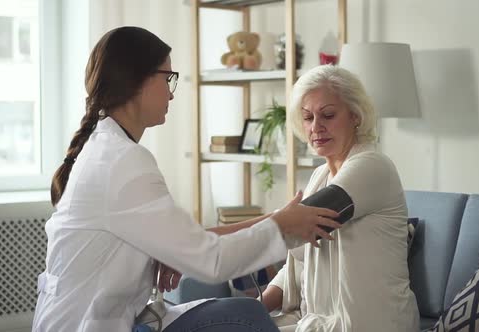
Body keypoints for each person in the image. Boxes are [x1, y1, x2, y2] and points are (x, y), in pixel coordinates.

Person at [31, 26, 341, 332]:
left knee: (244, 311)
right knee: (248, 317)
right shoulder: (123, 161)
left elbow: (190, 238)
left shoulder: (106, 149)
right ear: (135, 80)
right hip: (84, 324)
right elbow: (212, 261)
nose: (171, 92)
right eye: (167, 78)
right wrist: (283, 227)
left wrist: (275, 218)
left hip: (87, 318)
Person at [260, 65, 420, 332]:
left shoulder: (372, 165)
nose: (316, 127)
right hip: (321, 322)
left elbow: (294, 227)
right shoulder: (320, 176)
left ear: (355, 116)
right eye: (308, 118)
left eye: (328, 115)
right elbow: (300, 261)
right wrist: (255, 308)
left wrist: (209, 244)